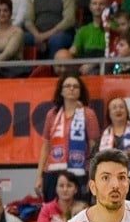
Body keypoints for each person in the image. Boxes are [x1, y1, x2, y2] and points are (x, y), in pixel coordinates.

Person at [35, 73, 100, 201]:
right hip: (53, 172)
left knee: (79, 214)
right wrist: (39, 177)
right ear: (61, 91)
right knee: (54, 215)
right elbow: (46, 147)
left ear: (80, 92)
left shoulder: (88, 114)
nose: (71, 89)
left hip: (80, 172)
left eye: (75, 86)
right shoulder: (52, 114)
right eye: (68, 86)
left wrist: (93, 176)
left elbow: (95, 149)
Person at [91, 97, 130, 205]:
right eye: (114, 108)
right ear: (109, 114)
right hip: (109, 185)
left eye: (121, 107)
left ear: (127, 111)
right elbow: (94, 158)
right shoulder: (103, 135)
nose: (118, 110)